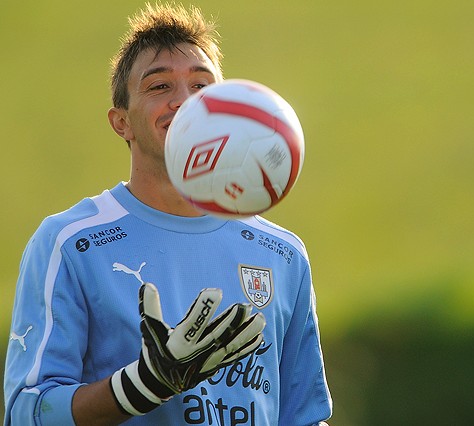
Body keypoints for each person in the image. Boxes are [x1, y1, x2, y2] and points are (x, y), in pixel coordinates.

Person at [3, 3, 333, 426]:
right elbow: (27, 413)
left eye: (202, 86)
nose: (185, 102)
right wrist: (142, 385)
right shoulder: (71, 242)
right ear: (121, 122)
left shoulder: (283, 253)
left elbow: (303, 418)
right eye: (159, 87)